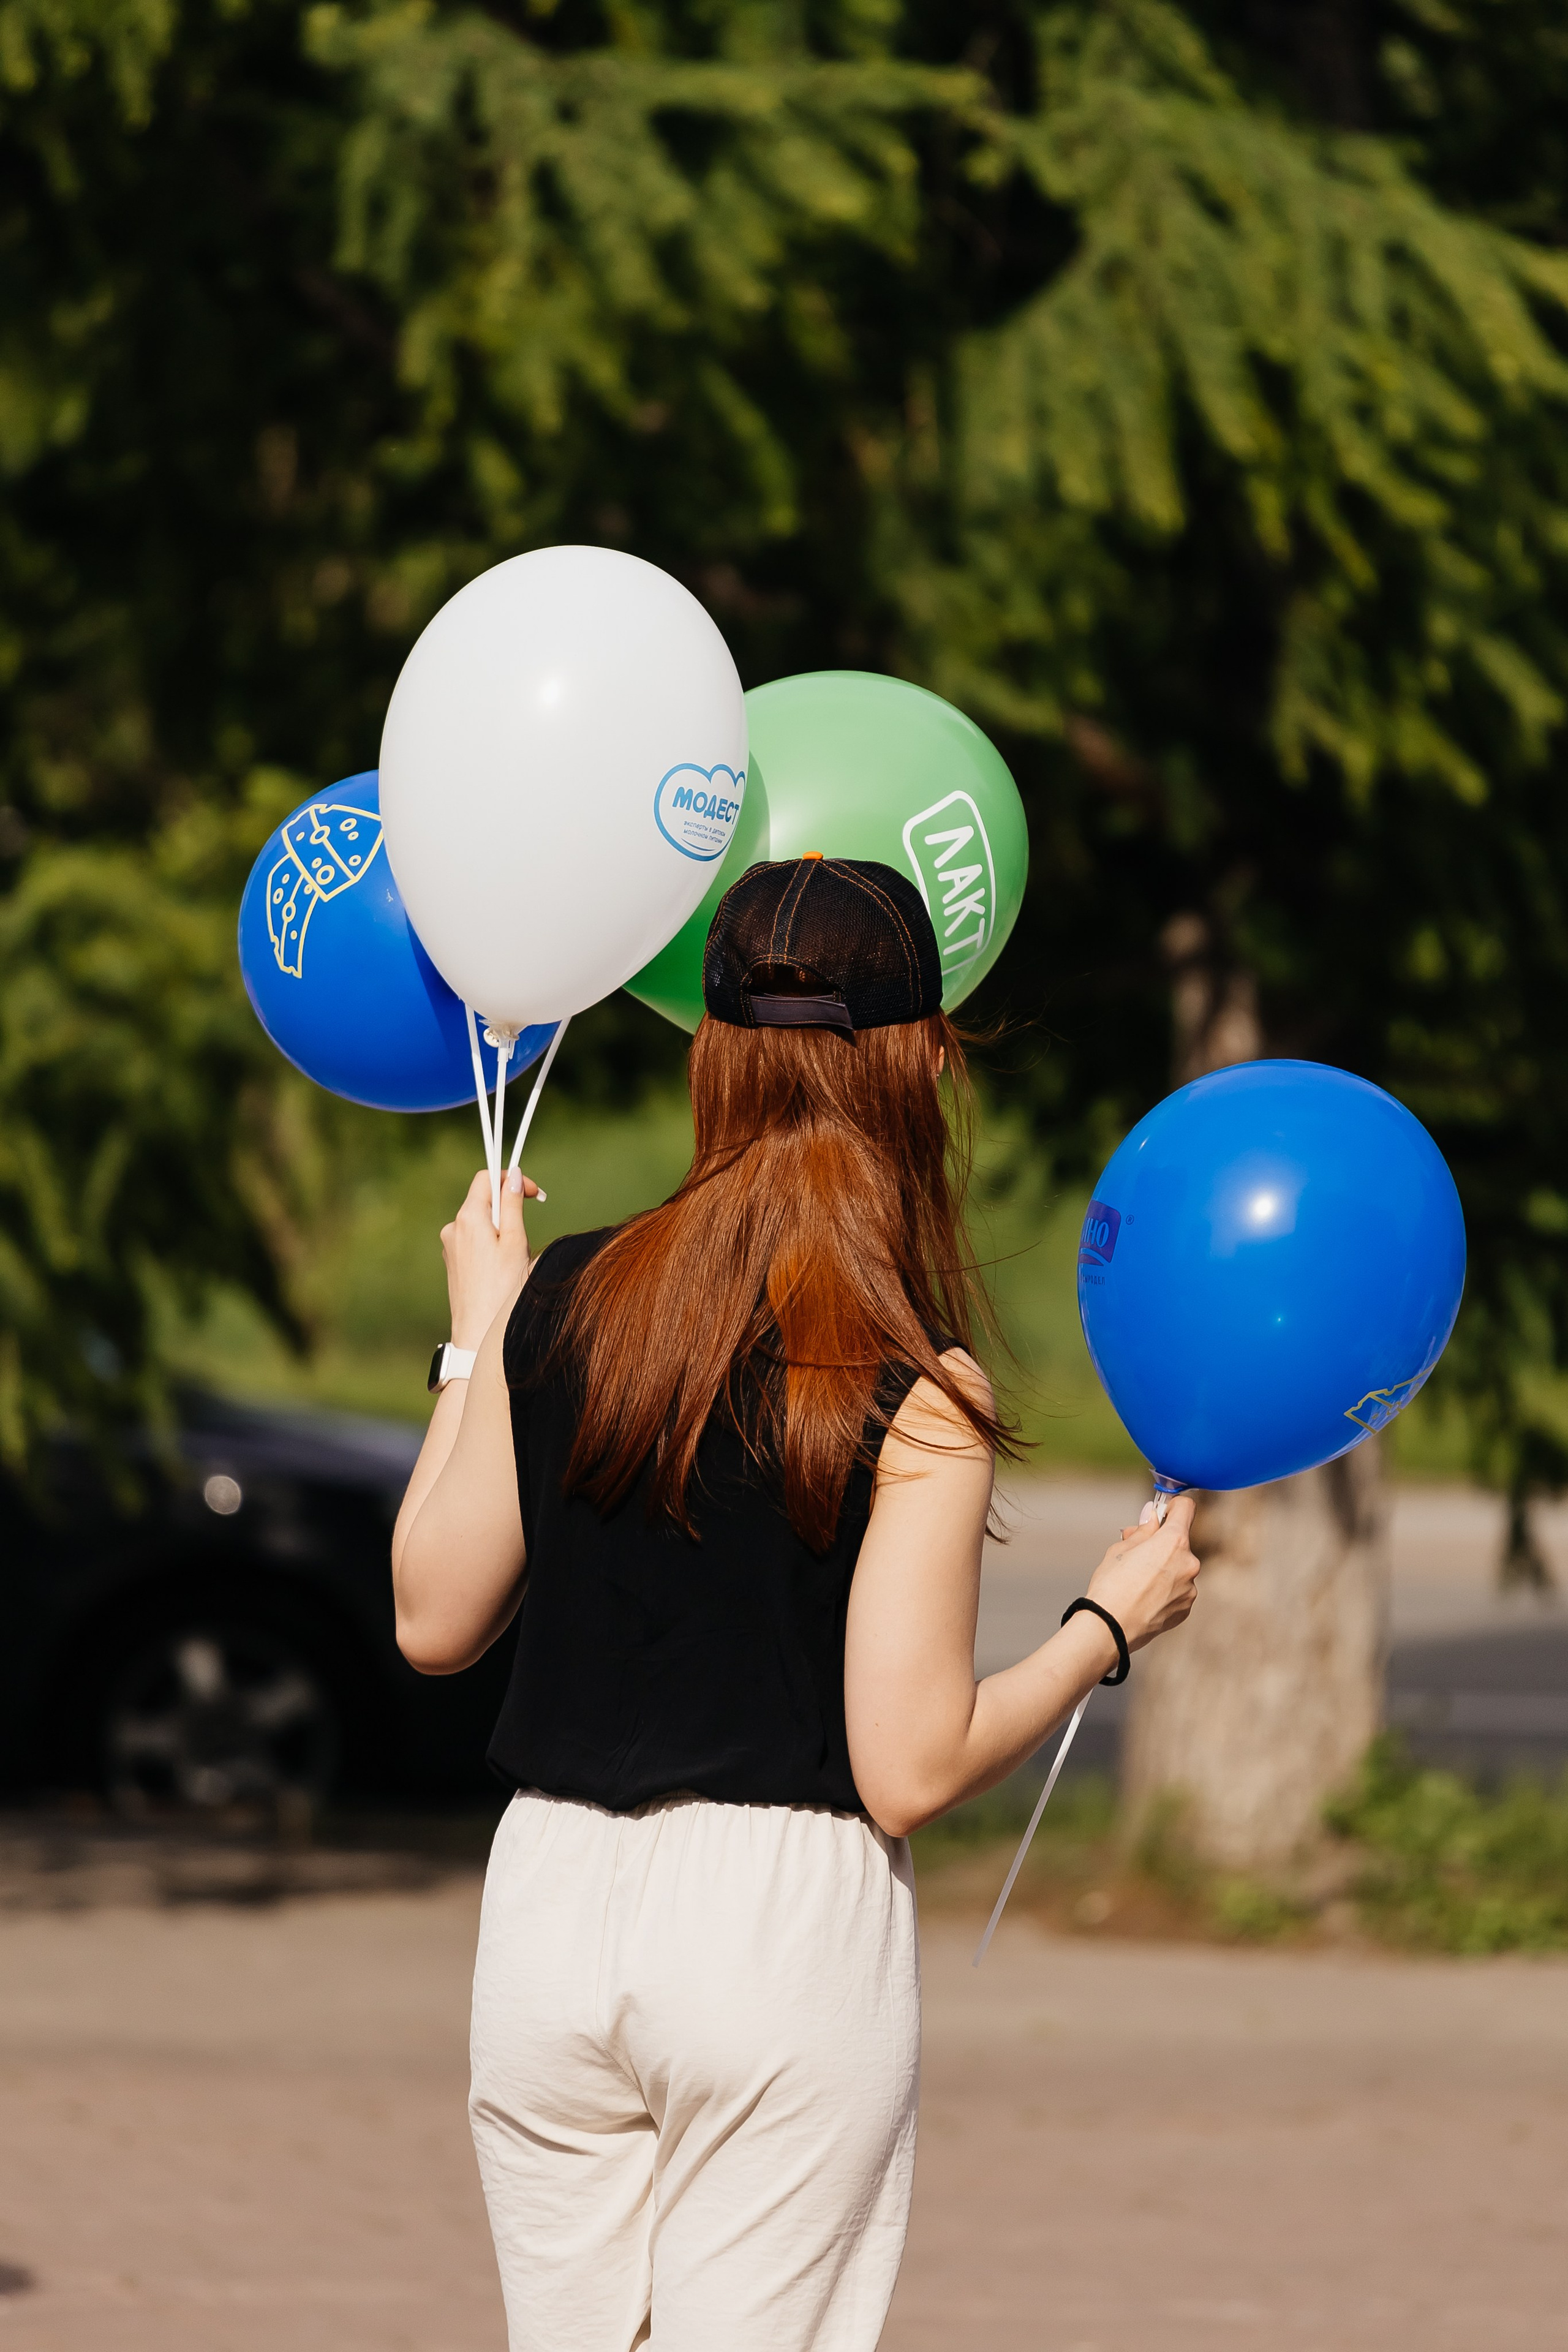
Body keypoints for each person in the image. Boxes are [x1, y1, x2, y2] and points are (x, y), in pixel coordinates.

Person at [392, 854, 1200, 2352]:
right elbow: (908, 1766)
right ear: (919, 1067)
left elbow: (431, 1619)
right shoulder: (915, 1385)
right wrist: (1102, 1627)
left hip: (547, 1909)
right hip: (772, 1931)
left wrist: (476, 1341)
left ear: (711, 1058)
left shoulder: (565, 1296)